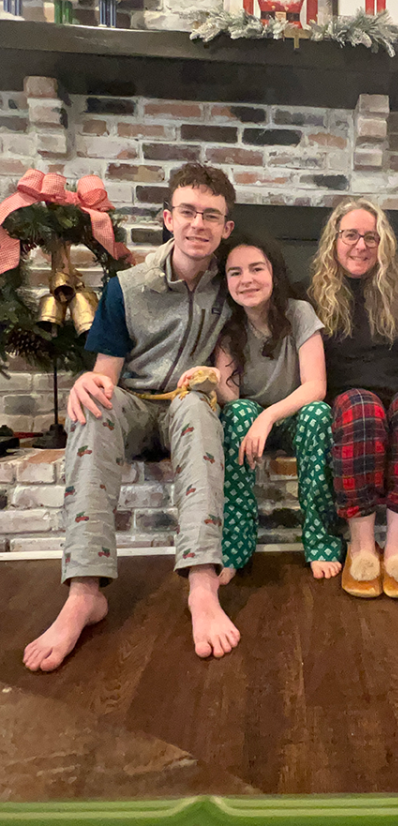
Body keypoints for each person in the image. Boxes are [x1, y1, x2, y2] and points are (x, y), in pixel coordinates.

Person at [24, 164, 241, 673]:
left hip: (189, 401)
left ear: (226, 228)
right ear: (169, 218)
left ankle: (203, 587)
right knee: (94, 407)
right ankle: (83, 593)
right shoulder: (128, 287)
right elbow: (106, 375)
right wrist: (87, 384)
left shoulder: (234, 282)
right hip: (137, 402)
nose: (198, 224)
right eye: (188, 211)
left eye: (212, 215)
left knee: (197, 409)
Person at [309, 199, 398, 599]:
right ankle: (362, 546)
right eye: (351, 235)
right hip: (352, 398)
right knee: (362, 409)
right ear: (334, 240)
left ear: (383, 243)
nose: (361, 245)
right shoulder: (310, 294)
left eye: (372, 236)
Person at [215, 232, 343, 585]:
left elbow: (316, 386)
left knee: (319, 414)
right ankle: (234, 548)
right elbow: (229, 394)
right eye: (235, 272)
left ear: (274, 273)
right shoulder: (228, 326)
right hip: (249, 424)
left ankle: (320, 542)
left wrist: (269, 416)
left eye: (257, 268)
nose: (247, 280)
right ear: (226, 282)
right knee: (237, 413)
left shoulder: (299, 313)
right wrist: (214, 382)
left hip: (292, 418)